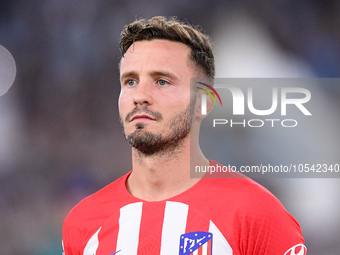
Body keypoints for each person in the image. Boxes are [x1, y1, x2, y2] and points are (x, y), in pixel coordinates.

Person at [62, 16, 306, 255]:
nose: (140, 95)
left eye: (162, 82)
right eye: (130, 81)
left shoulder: (255, 214)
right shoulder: (82, 223)